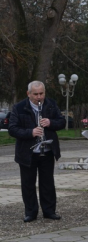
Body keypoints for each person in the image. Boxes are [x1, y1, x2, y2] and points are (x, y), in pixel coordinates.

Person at [8, 81, 66, 222]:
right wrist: (31, 132)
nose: (39, 97)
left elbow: (62, 122)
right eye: (35, 94)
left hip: (47, 150)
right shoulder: (19, 107)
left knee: (47, 183)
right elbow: (12, 129)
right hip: (27, 153)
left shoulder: (50, 104)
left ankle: (49, 211)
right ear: (28, 94)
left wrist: (50, 123)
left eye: (41, 94)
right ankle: (30, 212)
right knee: (28, 184)